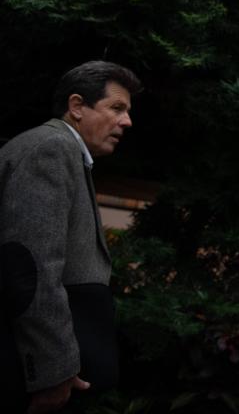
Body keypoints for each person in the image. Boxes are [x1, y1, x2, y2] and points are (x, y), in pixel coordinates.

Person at [0, 61, 141, 413]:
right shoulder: (51, 147)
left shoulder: (65, 151)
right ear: (77, 106)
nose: (127, 122)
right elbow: (31, 267)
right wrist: (52, 372)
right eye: (117, 108)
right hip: (34, 384)